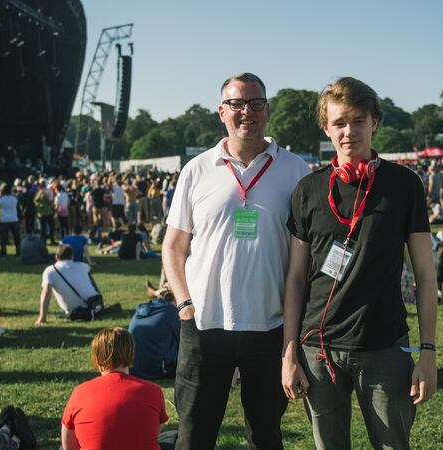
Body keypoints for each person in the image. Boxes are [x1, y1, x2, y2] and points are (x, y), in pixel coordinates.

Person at [282, 77, 437, 450]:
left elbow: (425, 276)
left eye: (358, 120)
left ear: (375, 122)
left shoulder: (404, 184)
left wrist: (428, 353)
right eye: (339, 123)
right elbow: (296, 279)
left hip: (383, 345)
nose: (348, 131)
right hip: (318, 349)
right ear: (326, 128)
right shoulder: (308, 188)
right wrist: (289, 352)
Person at [163, 72, 310, 449]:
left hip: (270, 325)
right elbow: (174, 246)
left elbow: (302, 257)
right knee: (194, 435)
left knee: (265, 436)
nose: (247, 112)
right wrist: (184, 305)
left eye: (255, 104)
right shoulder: (196, 169)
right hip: (205, 324)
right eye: (237, 104)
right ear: (221, 111)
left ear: (268, 111)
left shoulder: (296, 170)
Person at [61, 327, 176, 450]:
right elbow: (154, 431)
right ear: (131, 354)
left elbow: (68, 444)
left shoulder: (80, 392)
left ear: (96, 357)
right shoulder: (153, 391)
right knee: (173, 436)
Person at [35, 244, 103, 325]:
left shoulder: (50, 271)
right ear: (72, 256)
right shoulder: (83, 266)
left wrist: (42, 318)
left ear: (56, 257)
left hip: (75, 312)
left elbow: (46, 293)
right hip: (95, 306)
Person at [128, 287, 180, 380]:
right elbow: (184, 340)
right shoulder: (171, 311)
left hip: (134, 368)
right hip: (156, 370)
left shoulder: (141, 309)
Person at [0, 184, 20, 257]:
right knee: (16, 237)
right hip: (14, 219)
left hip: (4, 220)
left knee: (3, 238)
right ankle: (18, 251)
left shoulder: (0, 199)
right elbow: (18, 208)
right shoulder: (15, 198)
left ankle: (3, 252)